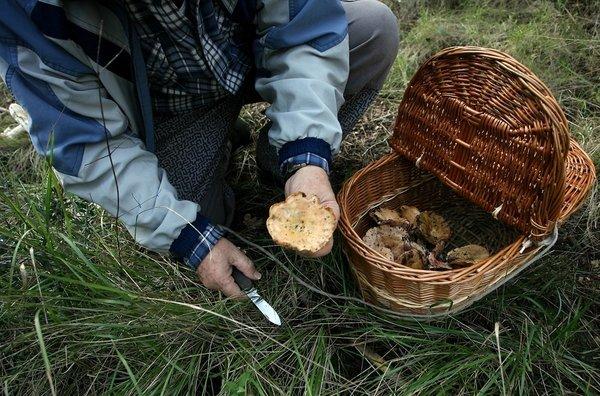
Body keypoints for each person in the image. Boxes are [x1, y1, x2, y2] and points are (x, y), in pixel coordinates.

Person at [0, 0, 398, 297]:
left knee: (374, 28)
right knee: (199, 214)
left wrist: (307, 156)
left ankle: (280, 161)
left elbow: (306, 35)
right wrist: (188, 236)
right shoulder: (26, 11)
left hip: (246, 55)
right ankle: (214, 141)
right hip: (166, 105)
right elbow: (89, 144)